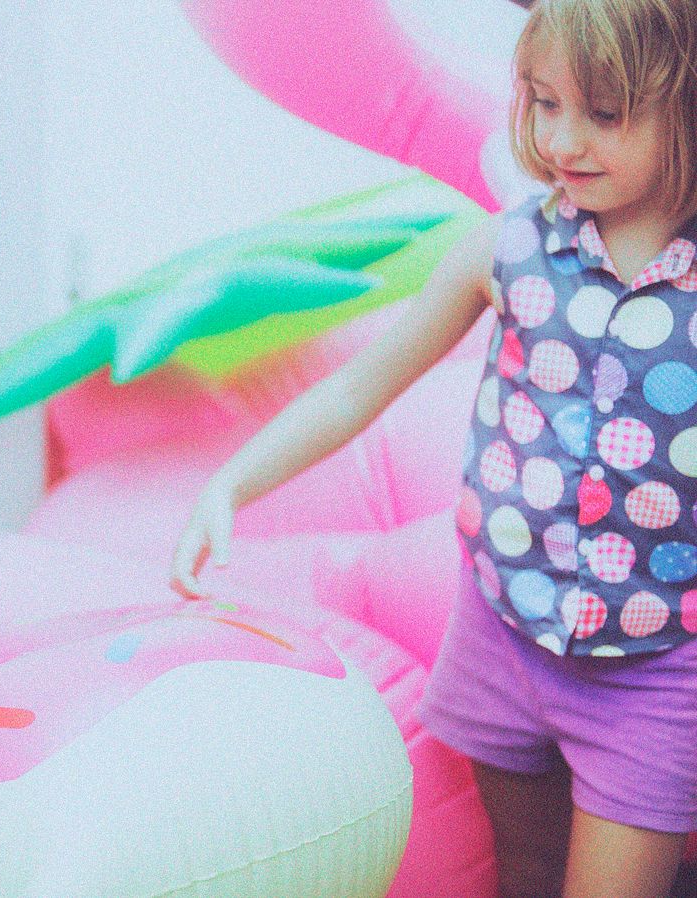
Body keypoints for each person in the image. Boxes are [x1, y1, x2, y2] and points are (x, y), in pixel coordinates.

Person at [171, 0, 697, 895]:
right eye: (543, 102)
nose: (564, 140)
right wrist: (231, 484)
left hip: (651, 671)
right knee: (521, 868)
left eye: (603, 113)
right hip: (504, 634)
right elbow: (353, 388)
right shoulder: (505, 249)